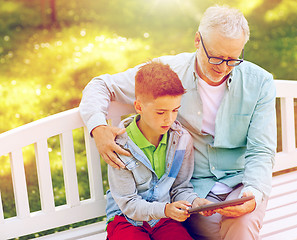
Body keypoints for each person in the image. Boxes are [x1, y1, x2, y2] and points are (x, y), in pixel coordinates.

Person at [80, 5, 276, 240]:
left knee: (241, 230)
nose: (222, 67)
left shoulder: (260, 83)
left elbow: (261, 150)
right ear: (197, 40)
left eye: (232, 59)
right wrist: (98, 128)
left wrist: (252, 195)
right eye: (214, 56)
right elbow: (101, 85)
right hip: (190, 192)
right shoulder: (167, 75)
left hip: (240, 184)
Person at [105, 61, 212, 240]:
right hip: (126, 220)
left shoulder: (181, 140)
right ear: (139, 107)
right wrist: (165, 210)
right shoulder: (119, 146)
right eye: (160, 112)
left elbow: (180, 188)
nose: (169, 119)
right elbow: (129, 204)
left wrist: (195, 202)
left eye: (175, 110)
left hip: (163, 219)